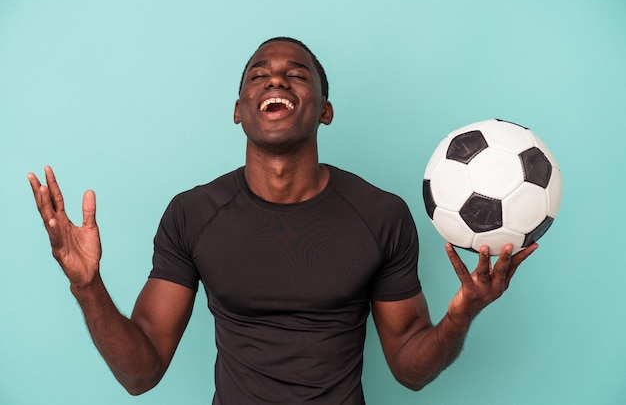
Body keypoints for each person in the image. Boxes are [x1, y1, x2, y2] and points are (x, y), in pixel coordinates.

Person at [28, 37, 537, 404]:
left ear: (325, 110)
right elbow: (141, 375)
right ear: (238, 110)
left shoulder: (381, 214)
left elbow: (410, 369)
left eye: (297, 73)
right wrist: (88, 287)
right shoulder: (193, 214)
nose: (275, 78)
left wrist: (462, 314)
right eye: (258, 74)